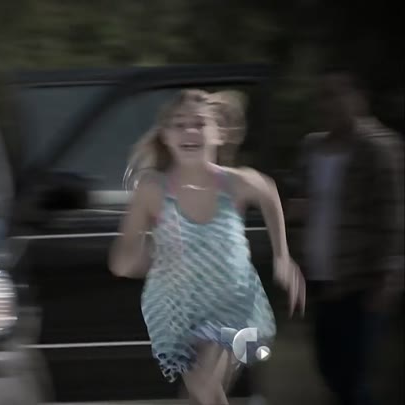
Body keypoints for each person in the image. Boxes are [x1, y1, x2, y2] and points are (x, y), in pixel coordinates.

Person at [109, 89, 306, 405]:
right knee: (198, 393)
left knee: (202, 384)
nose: (190, 131)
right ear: (166, 135)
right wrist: (142, 260)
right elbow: (123, 258)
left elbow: (268, 191)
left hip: (232, 304)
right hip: (178, 310)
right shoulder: (153, 188)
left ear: (219, 133)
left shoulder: (235, 183)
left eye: (200, 123)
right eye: (179, 124)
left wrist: (282, 256)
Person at [288, 67, 404, 405]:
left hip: (361, 281)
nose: (329, 103)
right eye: (323, 96)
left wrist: (390, 277)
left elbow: (393, 215)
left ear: (358, 99)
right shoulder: (312, 147)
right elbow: (300, 201)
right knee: (329, 368)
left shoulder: (379, 148)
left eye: (337, 94)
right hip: (320, 279)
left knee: (354, 380)